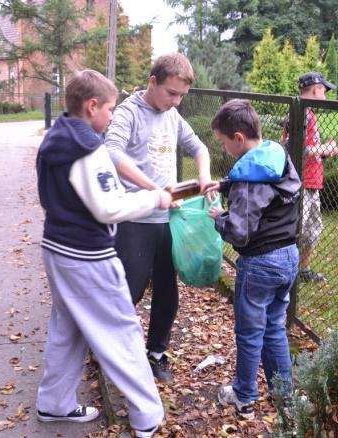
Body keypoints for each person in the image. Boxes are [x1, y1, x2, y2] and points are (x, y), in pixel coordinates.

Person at [35, 69, 169, 438]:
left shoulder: (58, 136)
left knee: (69, 327)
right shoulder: (87, 147)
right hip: (87, 256)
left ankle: (55, 402)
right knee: (121, 331)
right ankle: (147, 417)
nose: (111, 116)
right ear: (92, 106)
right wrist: (154, 198)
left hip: (57, 248)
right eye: (109, 108)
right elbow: (108, 208)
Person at [105, 53, 212, 382]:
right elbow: (112, 152)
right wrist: (154, 191)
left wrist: (205, 178)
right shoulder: (129, 113)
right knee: (130, 290)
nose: (177, 102)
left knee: (167, 290)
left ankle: (156, 353)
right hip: (136, 219)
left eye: (182, 96)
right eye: (171, 93)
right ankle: (110, 349)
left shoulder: (172, 116)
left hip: (168, 220)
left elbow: (199, 147)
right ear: (153, 82)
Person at [206, 99, 300, 420]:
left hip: (259, 262)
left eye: (223, 143)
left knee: (249, 333)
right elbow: (270, 191)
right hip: (288, 256)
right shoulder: (277, 155)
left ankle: (244, 396)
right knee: (274, 327)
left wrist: (220, 217)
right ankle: (284, 397)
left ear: (238, 138)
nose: (224, 150)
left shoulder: (248, 177)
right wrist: (223, 184)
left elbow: (240, 233)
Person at [281, 72, 338, 282]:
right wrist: (325, 148)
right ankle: (289, 271)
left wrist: (321, 150)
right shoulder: (302, 114)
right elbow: (292, 148)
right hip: (302, 182)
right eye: (324, 90)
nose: (326, 94)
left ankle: (302, 270)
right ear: (315, 88)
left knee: (312, 229)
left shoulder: (306, 112)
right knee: (299, 229)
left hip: (312, 181)